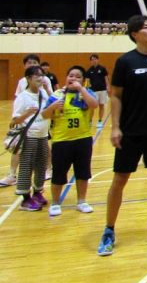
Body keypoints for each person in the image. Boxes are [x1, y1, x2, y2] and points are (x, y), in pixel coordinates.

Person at [97, 15, 147, 256]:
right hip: (131, 131)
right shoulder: (125, 62)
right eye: (145, 28)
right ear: (134, 34)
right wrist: (115, 127)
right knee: (119, 180)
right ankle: (109, 229)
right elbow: (116, 95)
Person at [46, 65, 98, 216]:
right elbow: (44, 115)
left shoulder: (87, 93)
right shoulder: (57, 94)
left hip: (83, 139)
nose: (73, 79)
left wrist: (82, 89)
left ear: (83, 80)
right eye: (71, 76)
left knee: (83, 172)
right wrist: (52, 107)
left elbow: (94, 105)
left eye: (77, 76)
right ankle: (55, 203)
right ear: (66, 77)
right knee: (59, 173)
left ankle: (81, 201)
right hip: (61, 141)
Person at [12, 66, 63, 211]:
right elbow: (14, 121)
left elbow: (51, 110)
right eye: (36, 76)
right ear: (28, 78)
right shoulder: (23, 97)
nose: (40, 78)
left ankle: (37, 192)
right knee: (26, 167)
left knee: (41, 166)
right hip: (29, 136)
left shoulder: (43, 94)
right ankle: (25, 198)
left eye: (41, 75)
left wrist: (48, 89)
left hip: (43, 136)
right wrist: (27, 113)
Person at [1, 54, 53, 188]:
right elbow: (19, 104)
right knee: (21, 152)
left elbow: (51, 100)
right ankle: (12, 175)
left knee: (44, 148)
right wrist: (26, 113)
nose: (32, 65)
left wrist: (47, 88)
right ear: (25, 67)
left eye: (35, 62)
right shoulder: (22, 83)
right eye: (29, 63)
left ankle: (48, 170)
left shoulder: (44, 80)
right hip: (27, 127)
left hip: (41, 123)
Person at [85, 54, 110, 128]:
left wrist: (108, 86)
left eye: (95, 59)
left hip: (102, 90)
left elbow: (106, 78)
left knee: (101, 105)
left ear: (98, 60)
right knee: (92, 107)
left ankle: (100, 121)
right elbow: (87, 81)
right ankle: (90, 120)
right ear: (90, 61)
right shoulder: (89, 71)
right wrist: (86, 90)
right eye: (92, 59)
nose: (94, 61)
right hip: (93, 91)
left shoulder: (102, 68)